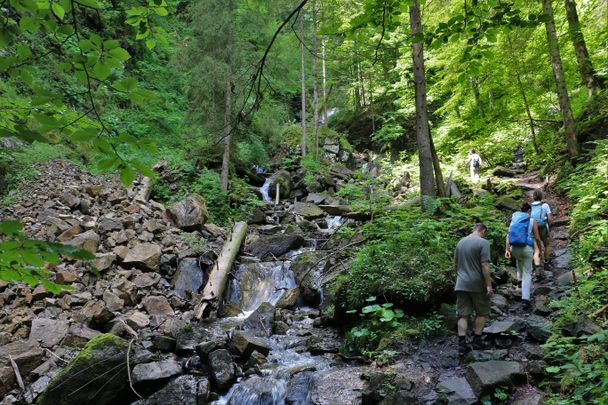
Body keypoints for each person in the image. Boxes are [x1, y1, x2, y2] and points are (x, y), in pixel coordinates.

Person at [454, 222, 493, 355]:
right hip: (476, 283)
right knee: (482, 312)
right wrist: (488, 285)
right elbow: (485, 266)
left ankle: (461, 344)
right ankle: (477, 340)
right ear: (482, 230)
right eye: (485, 233)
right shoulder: (483, 243)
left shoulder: (460, 242)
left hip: (461, 283)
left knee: (462, 314)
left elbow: (456, 264)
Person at [505, 202, 542, 310]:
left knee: (519, 260)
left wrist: (507, 249)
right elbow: (537, 238)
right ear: (529, 211)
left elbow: (508, 235)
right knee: (528, 272)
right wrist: (539, 249)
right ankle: (525, 299)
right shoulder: (532, 221)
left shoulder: (515, 219)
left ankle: (519, 280)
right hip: (527, 248)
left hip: (514, 248)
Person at [531, 189, 553, 267]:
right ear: (541, 196)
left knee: (537, 245)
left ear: (533, 197)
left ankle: (538, 261)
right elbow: (550, 218)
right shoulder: (545, 205)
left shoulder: (531, 206)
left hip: (534, 227)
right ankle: (546, 260)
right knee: (546, 244)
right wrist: (549, 226)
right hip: (543, 226)